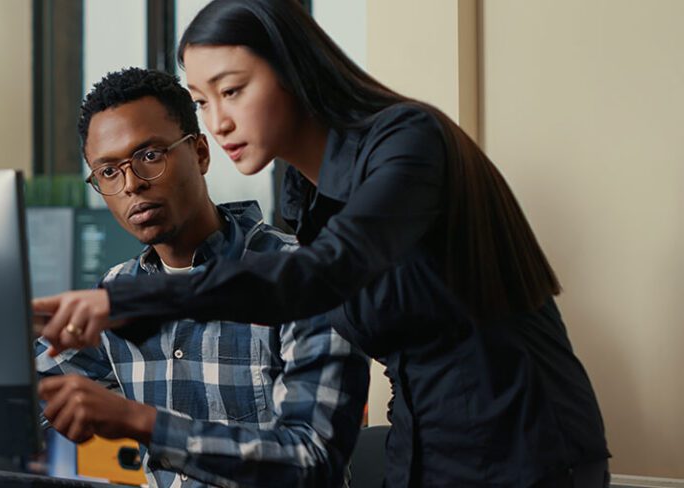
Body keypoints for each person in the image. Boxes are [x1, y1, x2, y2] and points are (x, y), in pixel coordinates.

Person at [35, 1, 610, 486]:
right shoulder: (304, 197)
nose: (219, 122)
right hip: (423, 450)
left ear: (294, 71)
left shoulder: (408, 141)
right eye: (203, 101)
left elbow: (320, 276)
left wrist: (126, 304)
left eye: (232, 91)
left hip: (525, 447)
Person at [36, 67, 369, 487]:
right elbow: (23, 397)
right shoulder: (116, 290)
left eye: (150, 156)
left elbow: (311, 461)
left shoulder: (301, 275)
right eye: (108, 171)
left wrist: (138, 421)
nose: (132, 184)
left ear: (200, 153)